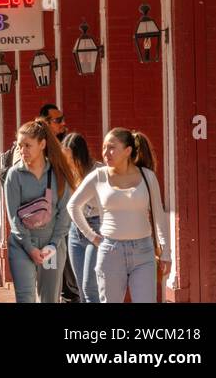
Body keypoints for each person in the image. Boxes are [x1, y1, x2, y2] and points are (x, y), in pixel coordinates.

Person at [67, 129, 170, 304]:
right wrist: (92, 236)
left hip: (143, 251)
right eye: (104, 147)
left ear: (128, 150)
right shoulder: (98, 176)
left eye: (112, 148)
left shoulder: (147, 176)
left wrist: (166, 252)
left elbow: (158, 215)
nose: (106, 153)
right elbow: (73, 205)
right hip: (110, 252)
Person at [4, 120, 75, 303]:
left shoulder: (58, 174)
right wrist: (29, 248)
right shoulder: (14, 175)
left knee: (49, 299)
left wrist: (53, 244)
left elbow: (64, 214)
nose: (22, 150)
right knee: (25, 298)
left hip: (51, 246)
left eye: (28, 145)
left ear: (42, 144)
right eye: (20, 145)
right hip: (22, 245)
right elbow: (13, 217)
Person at [62, 132, 102, 303]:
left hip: (96, 227)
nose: (67, 162)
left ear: (80, 155)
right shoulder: (67, 172)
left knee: (89, 286)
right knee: (80, 288)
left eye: (70, 157)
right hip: (75, 230)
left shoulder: (98, 171)